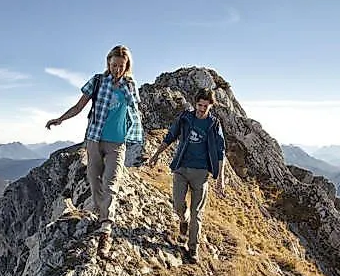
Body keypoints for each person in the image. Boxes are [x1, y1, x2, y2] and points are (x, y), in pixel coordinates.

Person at [45, 45, 144, 254]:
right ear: (108, 62)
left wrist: (126, 86)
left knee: (111, 182)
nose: (117, 69)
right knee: (93, 178)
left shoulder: (130, 85)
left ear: (127, 66)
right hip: (94, 140)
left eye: (121, 65)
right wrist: (60, 119)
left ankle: (106, 228)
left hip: (117, 143)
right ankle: (102, 213)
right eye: (114, 64)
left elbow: (135, 106)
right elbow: (79, 106)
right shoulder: (98, 81)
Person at [146, 88, 226, 263]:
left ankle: (193, 249)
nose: (202, 109)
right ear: (195, 103)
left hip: (202, 174)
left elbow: (221, 152)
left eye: (206, 106)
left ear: (211, 106)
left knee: (197, 213)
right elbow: (170, 136)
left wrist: (220, 179)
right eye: (199, 105)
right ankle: (183, 220)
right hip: (181, 169)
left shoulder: (214, 124)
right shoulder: (185, 118)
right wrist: (156, 154)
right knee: (178, 205)